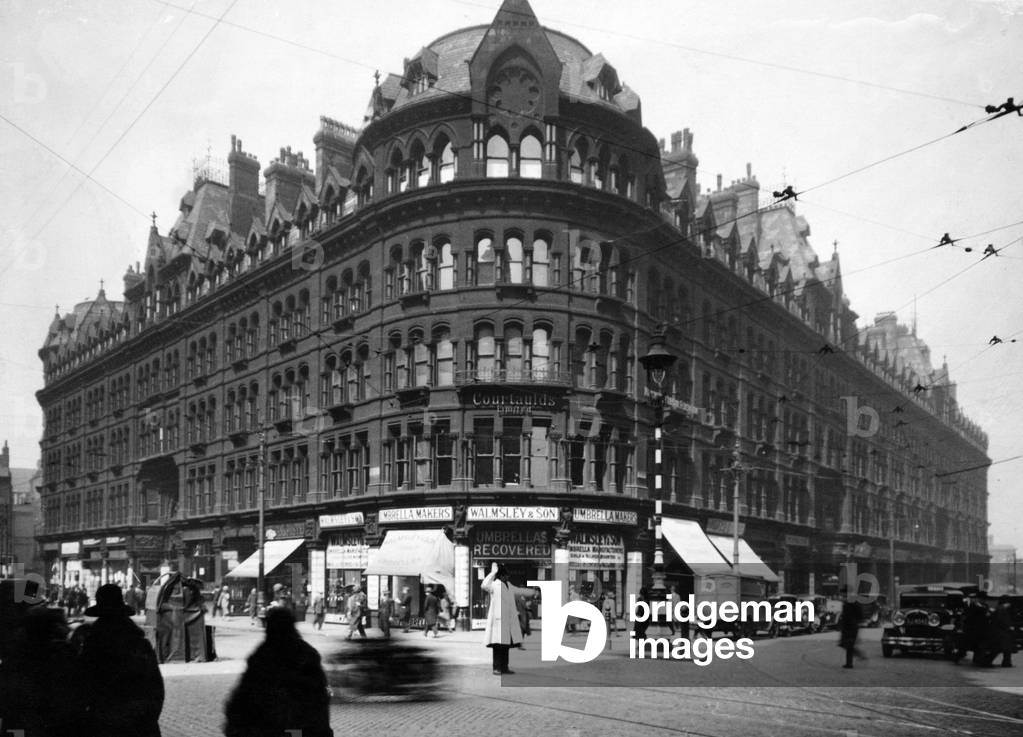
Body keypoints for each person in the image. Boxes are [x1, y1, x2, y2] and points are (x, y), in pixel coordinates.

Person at [224, 607, 333, 737]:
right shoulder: (306, 653)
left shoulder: (262, 655)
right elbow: (319, 694)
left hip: (272, 725)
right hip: (299, 725)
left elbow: (245, 692)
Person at [78, 583, 164, 737]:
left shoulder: (93, 645)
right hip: (139, 724)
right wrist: (148, 719)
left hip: (104, 723)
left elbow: (82, 686)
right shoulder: (139, 643)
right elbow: (156, 688)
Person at [481, 562, 535, 675]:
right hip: (498, 621)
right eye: (506, 575)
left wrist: (533, 592)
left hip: (507, 621)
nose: (508, 577)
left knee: (505, 646)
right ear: (501, 576)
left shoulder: (509, 586)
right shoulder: (494, 585)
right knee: (497, 647)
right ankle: (496, 668)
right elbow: (484, 585)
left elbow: (520, 591)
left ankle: (504, 667)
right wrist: (493, 572)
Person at [956, 591, 989, 664]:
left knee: (978, 646)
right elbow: (969, 616)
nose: (984, 600)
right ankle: (957, 657)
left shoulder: (984, 605)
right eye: (982, 598)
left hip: (980, 630)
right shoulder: (973, 605)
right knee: (966, 645)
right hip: (971, 629)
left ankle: (977, 659)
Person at [984, 595, 1015, 667]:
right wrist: (1008, 627)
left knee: (1002, 648)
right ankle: (988, 661)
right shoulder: (1002, 609)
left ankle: (1005, 662)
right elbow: (1002, 621)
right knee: (1001, 648)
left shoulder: (999, 609)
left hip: (1000, 632)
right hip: (1002, 632)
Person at [839, 589, 865, 669]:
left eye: (843, 595)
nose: (842, 597)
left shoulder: (852, 603)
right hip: (848, 627)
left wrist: (855, 622)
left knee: (848, 645)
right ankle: (852, 660)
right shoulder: (847, 603)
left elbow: (859, 614)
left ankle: (850, 663)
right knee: (846, 645)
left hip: (851, 627)